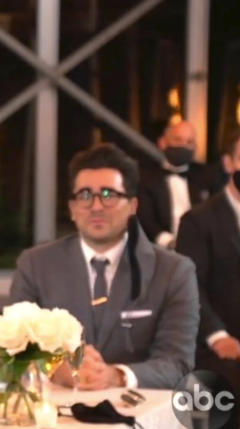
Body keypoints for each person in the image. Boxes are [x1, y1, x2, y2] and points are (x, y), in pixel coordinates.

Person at [10, 143, 199, 389]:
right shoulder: (35, 264)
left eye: (109, 194)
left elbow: (177, 364)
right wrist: (54, 369)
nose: (96, 206)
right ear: (72, 208)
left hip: (138, 414)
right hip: (56, 413)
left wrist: (115, 376)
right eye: (85, 195)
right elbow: (15, 350)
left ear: (132, 206)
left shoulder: (174, 271)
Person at [176, 128, 240, 429]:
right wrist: (218, 336)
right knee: (221, 396)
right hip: (216, 345)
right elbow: (191, 286)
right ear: (229, 164)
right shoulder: (199, 221)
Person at [137, 120, 217, 249]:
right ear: (163, 143)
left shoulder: (207, 176)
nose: (183, 146)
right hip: (162, 251)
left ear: (195, 148)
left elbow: (217, 214)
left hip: (203, 248)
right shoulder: (146, 179)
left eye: (189, 142)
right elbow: (145, 219)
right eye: (178, 140)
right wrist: (170, 242)